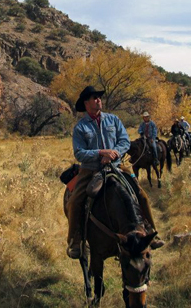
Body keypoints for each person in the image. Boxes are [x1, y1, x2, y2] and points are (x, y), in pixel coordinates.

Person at [66, 86, 163, 259]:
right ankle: (75, 240)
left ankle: (151, 231)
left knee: (141, 195)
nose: (98, 100)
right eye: (94, 98)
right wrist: (101, 153)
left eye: (99, 97)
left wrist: (114, 153)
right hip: (90, 169)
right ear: (86, 103)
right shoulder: (80, 127)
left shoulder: (113, 120)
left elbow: (124, 141)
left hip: (117, 166)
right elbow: (79, 153)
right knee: (74, 201)